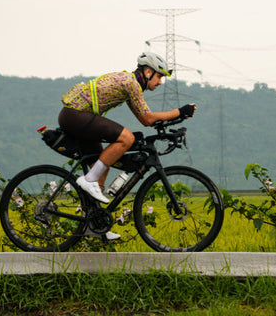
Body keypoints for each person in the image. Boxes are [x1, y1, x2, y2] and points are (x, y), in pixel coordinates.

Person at [58, 52, 196, 239]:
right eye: (159, 76)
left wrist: (177, 117)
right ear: (148, 72)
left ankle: (93, 224)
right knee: (126, 139)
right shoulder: (131, 84)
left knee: (103, 162)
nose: (160, 82)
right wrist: (179, 111)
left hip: (76, 115)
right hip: (76, 114)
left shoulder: (131, 84)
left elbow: (144, 120)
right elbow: (148, 118)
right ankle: (89, 180)